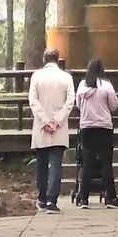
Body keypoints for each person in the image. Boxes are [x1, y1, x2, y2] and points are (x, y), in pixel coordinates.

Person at [28, 48, 75, 211]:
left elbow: (33, 101)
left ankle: (41, 198)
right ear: (58, 59)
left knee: (41, 164)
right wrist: (57, 121)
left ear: (44, 59)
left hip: (41, 126)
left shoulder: (36, 76)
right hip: (59, 128)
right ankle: (52, 200)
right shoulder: (66, 77)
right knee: (56, 163)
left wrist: (45, 121)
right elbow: (70, 102)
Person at [74, 56, 118, 206]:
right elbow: (114, 105)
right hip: (103, 127)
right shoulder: (106, 86)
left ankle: (83, 197)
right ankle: (110, 197)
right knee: (106, 163)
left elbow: (78, 105)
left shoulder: (82, 86)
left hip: (87, 127)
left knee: (87, 162)